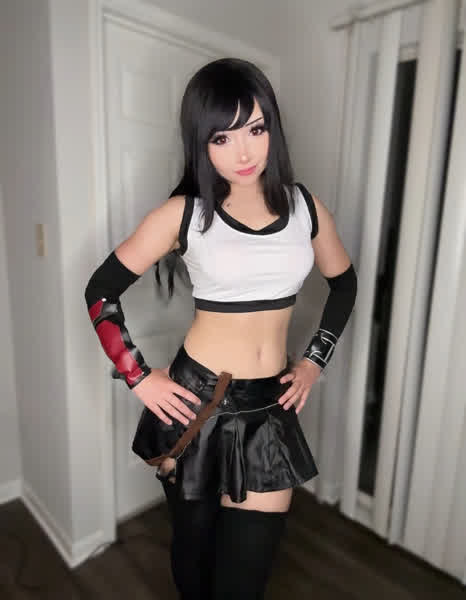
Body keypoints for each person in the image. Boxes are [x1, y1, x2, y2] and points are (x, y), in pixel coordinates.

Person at [84, 57, 357, 600]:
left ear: (272, 128)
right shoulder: (183, 214)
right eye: (222, 137)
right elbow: (101, 291)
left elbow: (344, 285)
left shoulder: (306, 209)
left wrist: (313, 361)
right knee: (194, 562)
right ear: (201, 144)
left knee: (244, 581)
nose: (244, 152)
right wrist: (138, 376)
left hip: (268, 409)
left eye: (255, 129)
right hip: (196, 402)